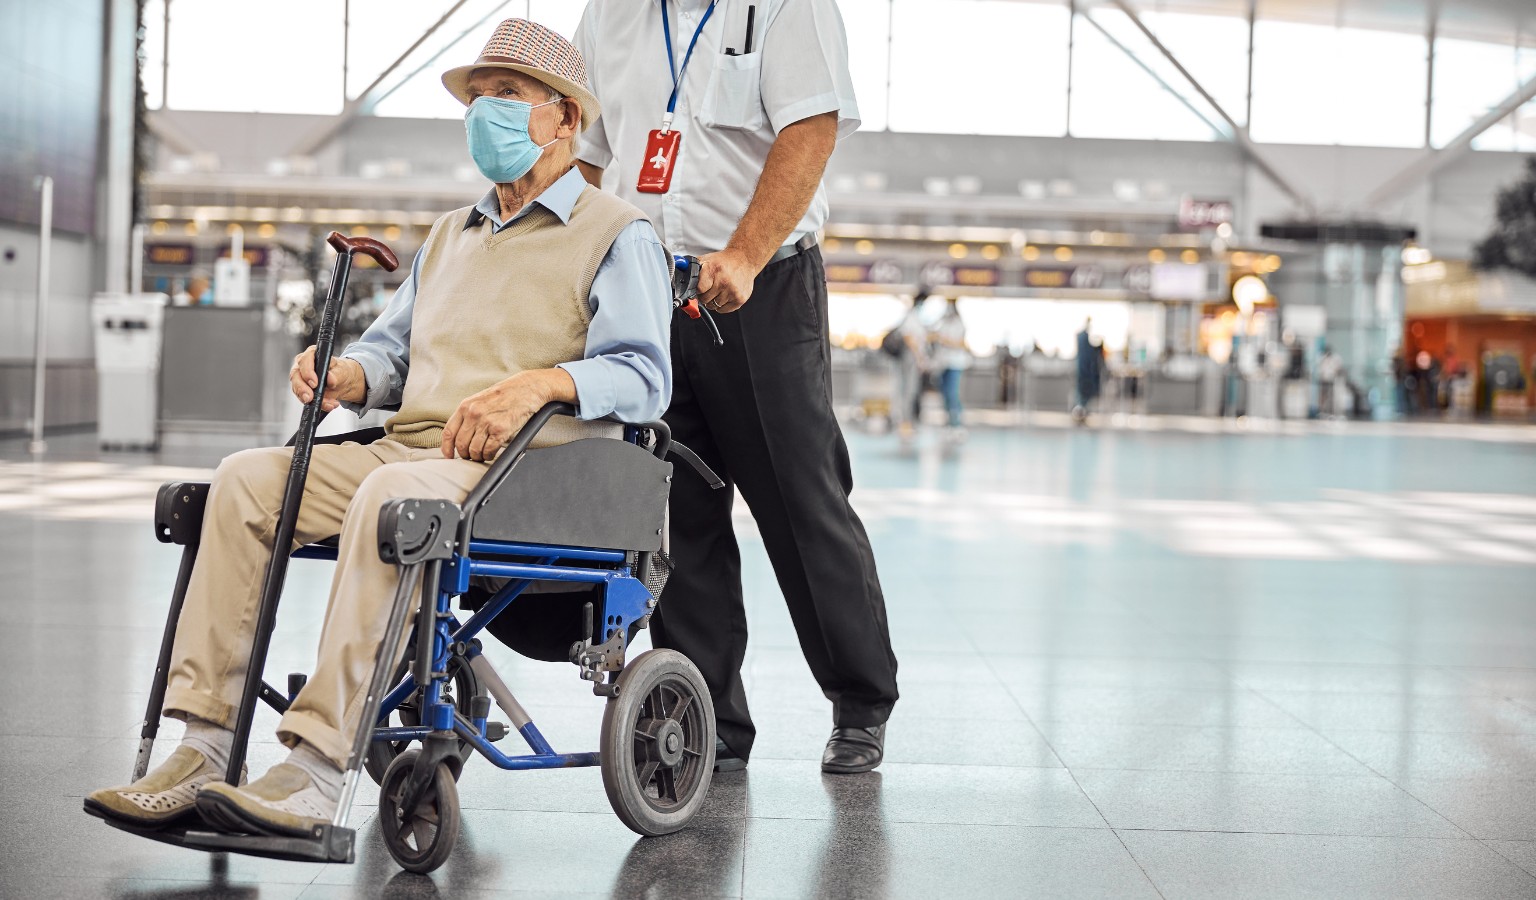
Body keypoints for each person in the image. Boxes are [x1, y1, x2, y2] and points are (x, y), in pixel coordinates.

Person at [86, 20, 672, 836]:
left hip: (526, 469)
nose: (485, 113)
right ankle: (205, 745)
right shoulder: (451, 235)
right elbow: (391, 353)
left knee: (393, 496)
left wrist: (542, 383)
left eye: (507, 95)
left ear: (566, 118)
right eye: (477, 98)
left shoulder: (617, 232)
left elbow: (644, 377)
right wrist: (351, 374)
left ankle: (316, 768)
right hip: (414, 449)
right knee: (245, 481)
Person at [574, 0, 899, 775]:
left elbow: (810, 130)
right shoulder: (610, 14)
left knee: (799, 497)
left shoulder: (788, 6)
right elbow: (584, 152)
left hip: (763, 286)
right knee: (673, 511)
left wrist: (746, 255)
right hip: (648, 291)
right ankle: (708, 717)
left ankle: (861, 700)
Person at [889, 289, 930, 447]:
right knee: (908, 391)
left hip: (912, 358)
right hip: (909, 358)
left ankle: (907, 422)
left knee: (910, 391)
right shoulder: (912, 316)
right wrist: (919, 357)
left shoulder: (915, 317)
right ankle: (904, 423)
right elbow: (908, 336)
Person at [931, 297, 970, 438]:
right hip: (943, 364)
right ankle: (948, 423)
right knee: (945, 394)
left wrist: (943, 340)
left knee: (953, 394)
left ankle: (957, 424)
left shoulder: (959, 324)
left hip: (955, 364)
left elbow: (960, 343)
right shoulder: (942, 323)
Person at [1073, 319, 1101, 422]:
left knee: (1083, 392)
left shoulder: (1083, 337)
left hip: (1084, 369)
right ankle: (1080, 410)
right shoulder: (1083, 337)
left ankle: (1081, 410)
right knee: (1083, 392)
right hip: (1084, 369)